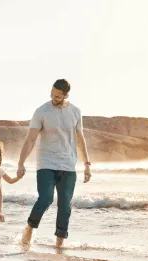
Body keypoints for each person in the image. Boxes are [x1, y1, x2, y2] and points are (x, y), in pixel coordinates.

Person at [16, 79, 92, 248]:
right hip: (46, 162)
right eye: (52, 94)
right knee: (46, 199)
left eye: (57, 96)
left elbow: (80, 139)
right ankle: (29, 228)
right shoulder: (42, 111)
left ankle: (59, 245)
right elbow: (30, 139)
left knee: (65, 205)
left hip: (68, 164)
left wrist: (87, 163)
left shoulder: (75, 112)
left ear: (66, 95)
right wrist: (21, 163)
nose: (53, 98)